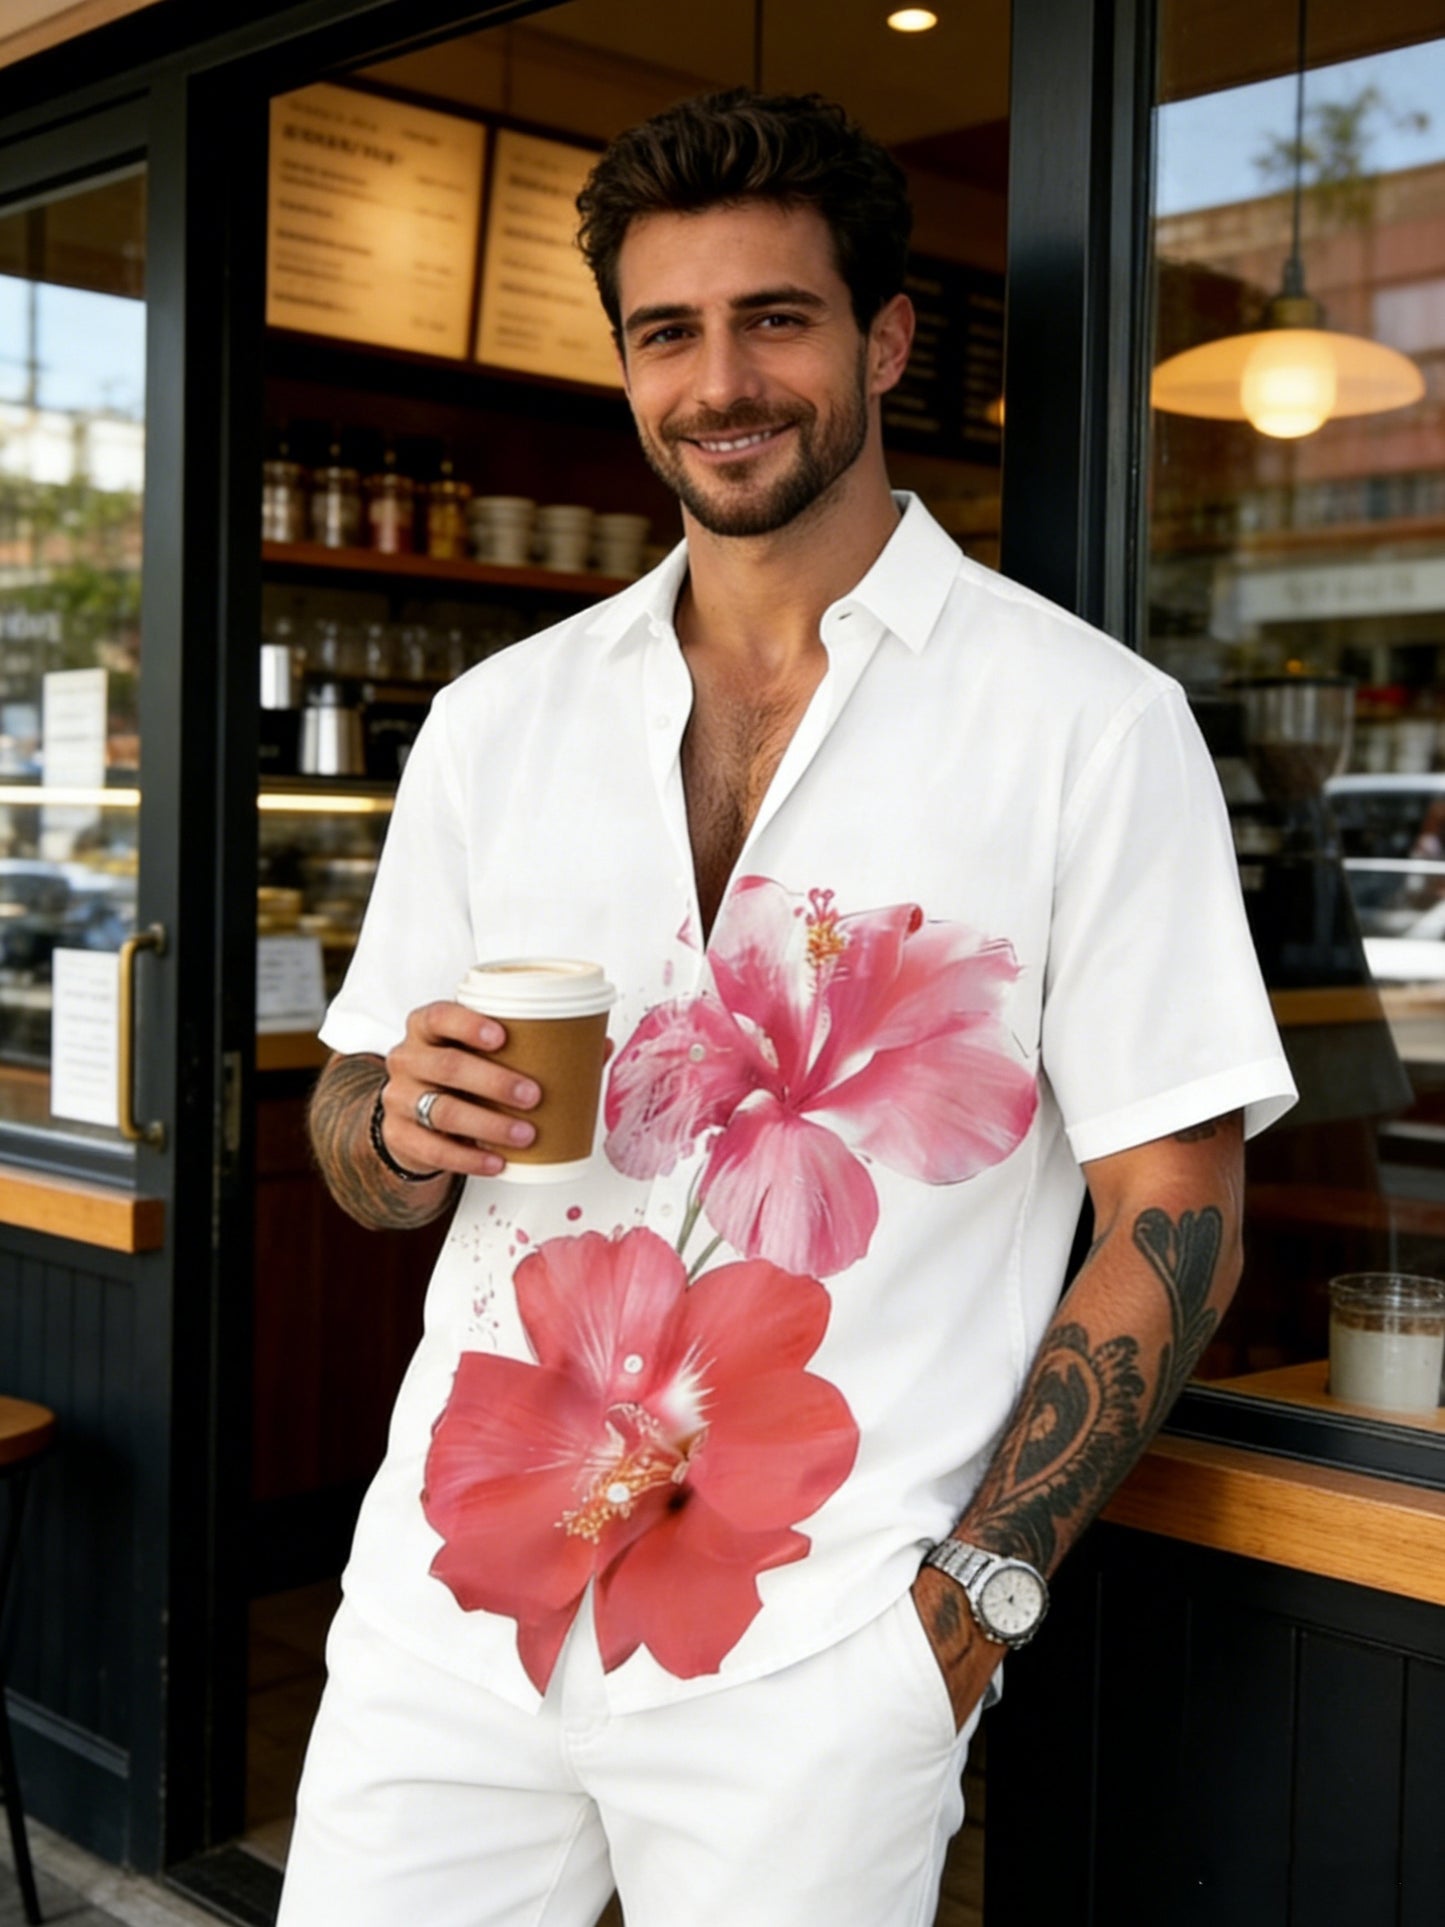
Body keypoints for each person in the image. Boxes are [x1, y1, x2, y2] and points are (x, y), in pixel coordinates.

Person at [279, 87, 1296, 1927]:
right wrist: (390, 1124)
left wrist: (960, 1617)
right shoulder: (501, 720)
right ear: (623, 366)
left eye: (775, 318)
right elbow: (355, 1125)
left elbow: (1181, 1210)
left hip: (816, 1645)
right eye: (667, 331)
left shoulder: (1085, 726)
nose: (718, 379)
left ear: (883, 338)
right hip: (452, 1600)